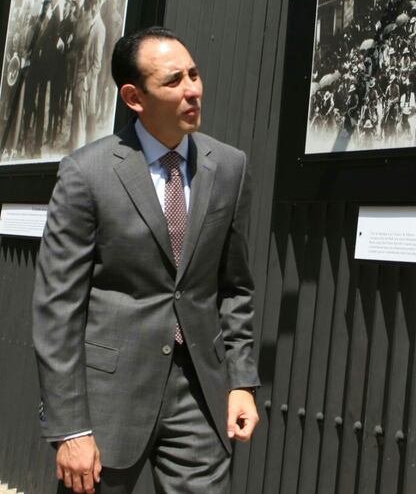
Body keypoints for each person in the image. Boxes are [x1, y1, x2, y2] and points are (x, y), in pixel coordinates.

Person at [32, 27, 261, 494]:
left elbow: (234, 286)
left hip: (199, 394)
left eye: (194, 74)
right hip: (107, 400)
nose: (193, 89)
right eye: (174, 81)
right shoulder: (87, 174)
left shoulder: (229, 166)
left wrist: (241, 381)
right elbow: (58, 309)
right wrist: (70, 428)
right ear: (135, 97)